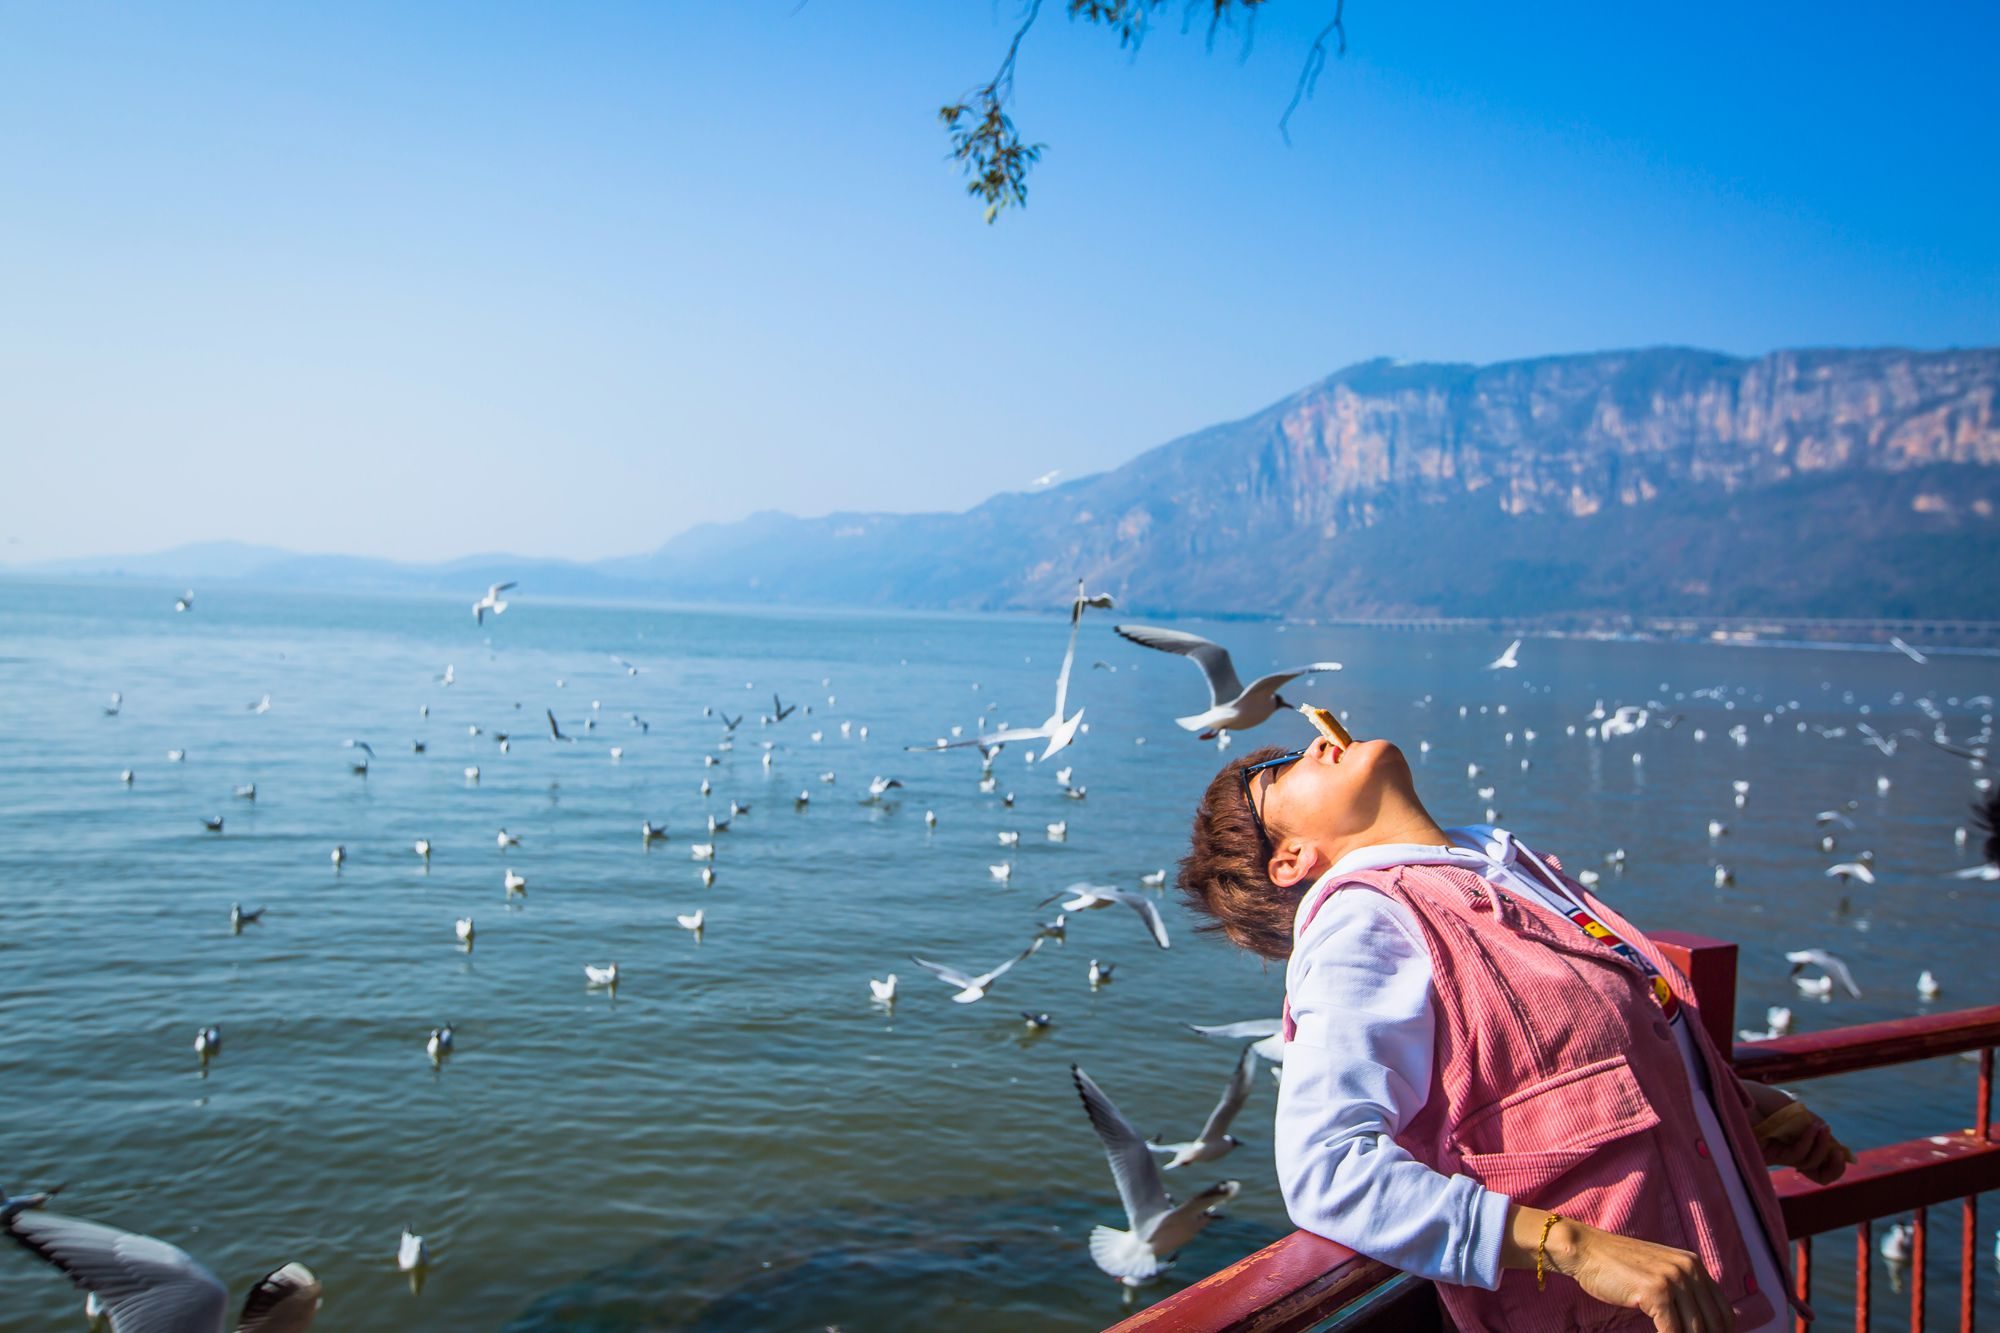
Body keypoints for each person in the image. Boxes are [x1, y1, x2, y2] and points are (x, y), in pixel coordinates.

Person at [1177, 734, 1851, 1333]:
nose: (1312, 744)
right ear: (1289, 857)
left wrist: (1732, 1105)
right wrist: (1575, 1246)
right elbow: (1326, 1170)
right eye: (1277, 769)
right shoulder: (1366, 923)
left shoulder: (1498, 868)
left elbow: (1568, 1072)